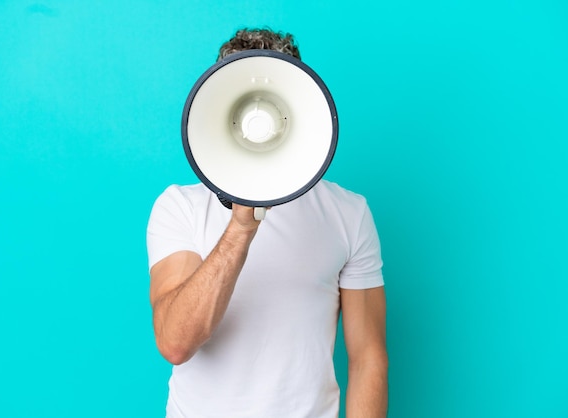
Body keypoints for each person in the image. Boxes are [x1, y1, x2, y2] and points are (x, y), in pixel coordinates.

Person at [147, 28, 388, 418]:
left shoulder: (349, 212)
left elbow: (368, 357)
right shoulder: (180, 206)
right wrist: (241, 226)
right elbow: (176, 342)